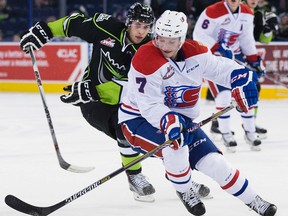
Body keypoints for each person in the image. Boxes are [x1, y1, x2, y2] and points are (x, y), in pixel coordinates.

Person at [18, 2, 209, 202]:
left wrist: (93, 89)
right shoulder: (106, 27)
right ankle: (134, 176)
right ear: (128, 23)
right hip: (95, 104)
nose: (141, 31)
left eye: (146, 27)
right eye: (137, 25)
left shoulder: (150, 51)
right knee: (123, 125)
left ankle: (180, 178)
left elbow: (136, 91)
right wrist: (45, 31)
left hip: (128, 102)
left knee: (166, 134)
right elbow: (73, 23)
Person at [118, 10, 277, 216]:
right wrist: (169, 122)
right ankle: (185, 190)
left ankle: (255, 200)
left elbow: (221, 69)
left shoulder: (197, 53)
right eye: (161, 39)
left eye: (171, 41)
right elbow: (149, 105)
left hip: (179, 120)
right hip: (137, 120)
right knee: (177, 148)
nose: (165, 46)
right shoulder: (145, 58)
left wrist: (241, 77)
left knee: (215, 163)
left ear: (182, 39)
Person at [193, 0, 265, 152]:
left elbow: (246, 39)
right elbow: (198, 35)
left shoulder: (247, 13)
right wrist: (217, 46)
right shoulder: (212, 11)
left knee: (247, 91)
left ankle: (250, 132)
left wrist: (253, 60)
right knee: (224, 96)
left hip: (236, 57)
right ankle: (226, 133)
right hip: (214, 61)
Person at [243, 0, 279, 139]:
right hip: (234, 53)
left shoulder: (258, 15)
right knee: (226, 90)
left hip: (248, 56)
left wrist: (268, 30)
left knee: (255, 88)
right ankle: (217, 124)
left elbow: (263, 40)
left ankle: (251, 123)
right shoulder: (236, 12)